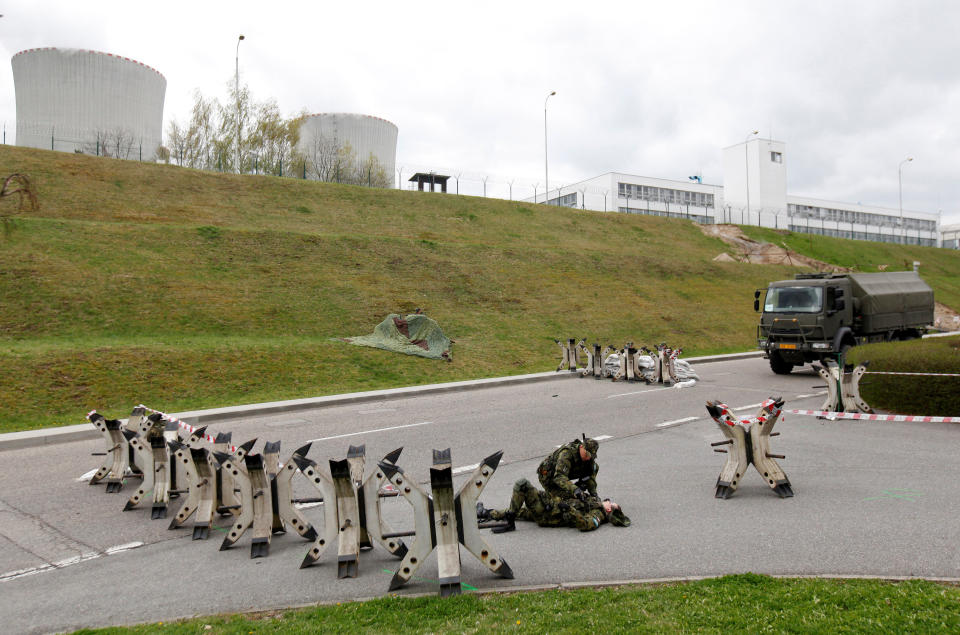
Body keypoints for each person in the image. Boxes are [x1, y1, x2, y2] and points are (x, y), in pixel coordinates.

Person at [477, 478, 629, 532]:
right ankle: (486, 513)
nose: (607, 500)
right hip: (549, 506)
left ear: (608, 508)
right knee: (520, 512)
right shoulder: (594, 503)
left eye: (610, 502)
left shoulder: (597, 515)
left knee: (522, 484)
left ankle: (509, 522)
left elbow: (586, 525)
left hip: (548, 514)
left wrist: (568, 509)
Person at [537, 436, 599, 502]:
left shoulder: (588, 458)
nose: (588, 458)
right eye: (587, 455)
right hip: (549, 477)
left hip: (566, 473)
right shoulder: (566, 454)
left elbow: (590, 476)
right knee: (563, 501)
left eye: (590, 456)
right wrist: (575, 490)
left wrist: (594, 494)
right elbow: (559, 477)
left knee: (594, 467)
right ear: (581, 447)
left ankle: (575, 488)